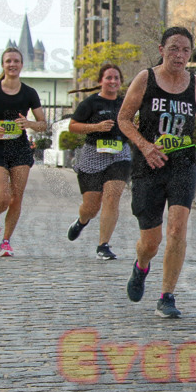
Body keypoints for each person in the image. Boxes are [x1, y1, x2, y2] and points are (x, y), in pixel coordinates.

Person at [117, 27, 196, 319]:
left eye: (185, 50)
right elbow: (124, 119)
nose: (179, 55)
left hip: (183, 163)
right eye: (174, 49)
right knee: (151, 242)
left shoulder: (195, 83)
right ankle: (141, 266)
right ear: (161, 50)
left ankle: (167, 296)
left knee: (176, 229)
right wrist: (145, 146)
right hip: (149, 165)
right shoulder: (145, 78)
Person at [0, 46, 48, 257]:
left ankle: (6, 242)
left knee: (16, 198)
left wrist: (29, 123)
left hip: (20, 149)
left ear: (22, 65)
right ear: (3, 65)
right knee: (4, 197)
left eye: (16, 61)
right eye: (8, 61)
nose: (12, 64)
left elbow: (43, 124)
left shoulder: (29, 93)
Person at [66, 63, 131, 261]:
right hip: (93, 155)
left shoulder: (126, 103)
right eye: (108, 77)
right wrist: (96, 127)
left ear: (120, 82)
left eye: (116, 78)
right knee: (91, 206)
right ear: (101, 81)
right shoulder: (91, 103)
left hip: (119, 154)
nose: (113, 81)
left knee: (112, 197)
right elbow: (72, 126)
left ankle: (103, 245)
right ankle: (82, 221)